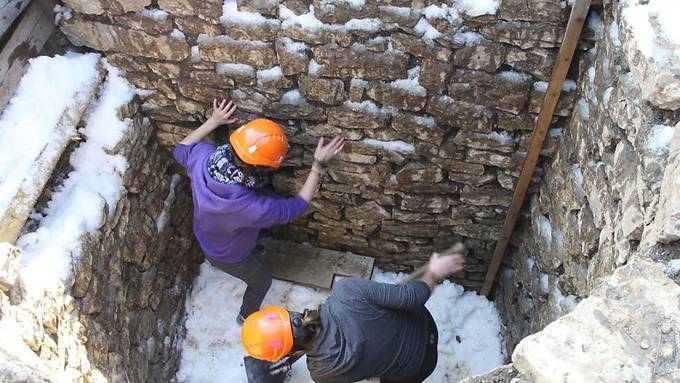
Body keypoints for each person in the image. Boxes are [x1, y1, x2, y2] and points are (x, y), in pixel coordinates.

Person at [174, 98, 345, 324]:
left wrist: (214, 121)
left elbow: (180, 150)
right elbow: (296, 207)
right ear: (258, 168)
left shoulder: (204, 158)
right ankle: (246, 316)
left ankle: (255, 249)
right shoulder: (251, 208)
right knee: (262, 281)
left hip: (208, 234)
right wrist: (317, 167)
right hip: (229, 255)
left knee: (258, 233)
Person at [241, 251, 466, 383]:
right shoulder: (347, 292)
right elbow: (412, 298)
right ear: (290, 312)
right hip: (424, 325)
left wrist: (297, 346)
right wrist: (434, 271)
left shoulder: (322, 373)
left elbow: (314, 340)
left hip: (417, 369)